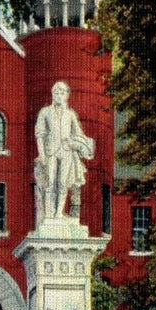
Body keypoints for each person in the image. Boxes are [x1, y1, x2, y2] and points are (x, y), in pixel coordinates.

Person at [34, 81, 94, 222]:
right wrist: (41, 154)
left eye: (62, 93)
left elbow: (78, 134)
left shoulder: (70, 114)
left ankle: (59, 213)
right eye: (56, 92)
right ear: (52, 95)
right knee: (50, 182)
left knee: (63, 183)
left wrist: (83, 145)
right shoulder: (45, 112)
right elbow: (40, 134)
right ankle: (49, 213)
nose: (58, 95)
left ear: (67, 95)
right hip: (50, 151)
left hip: (66, 151)